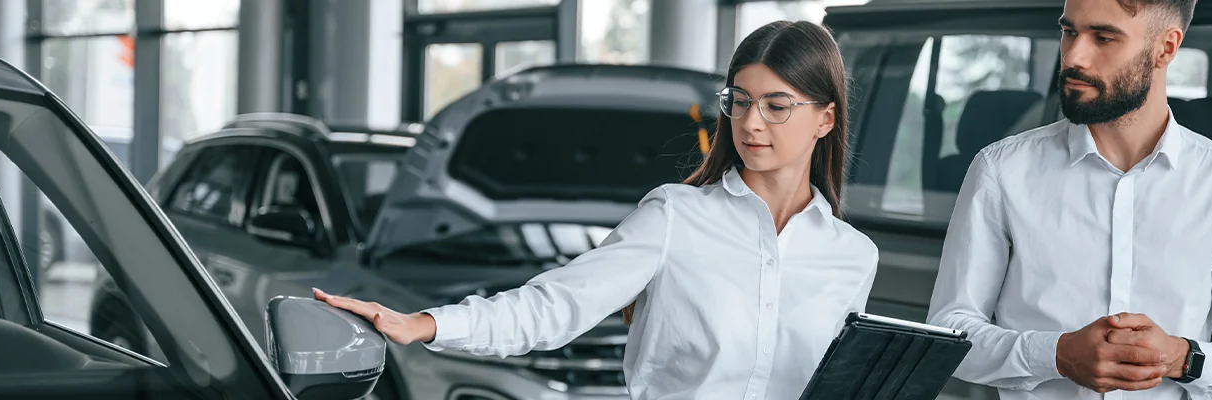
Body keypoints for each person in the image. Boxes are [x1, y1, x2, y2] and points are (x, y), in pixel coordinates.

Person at [313, 20, 879, 400]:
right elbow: (550, 307)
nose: (752, 122)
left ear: (825, 118)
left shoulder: (853, 257)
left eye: (777, 106)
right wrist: (424, 324)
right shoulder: (675, 217)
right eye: (740, 101)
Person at [926, 0, 1212, 399]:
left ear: (1165, 48)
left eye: (1103, 37)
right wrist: (1057, 355)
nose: (1073, 57)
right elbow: (950, 334)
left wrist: (1183, 359)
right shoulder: (1000, 170)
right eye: (1069, 32)